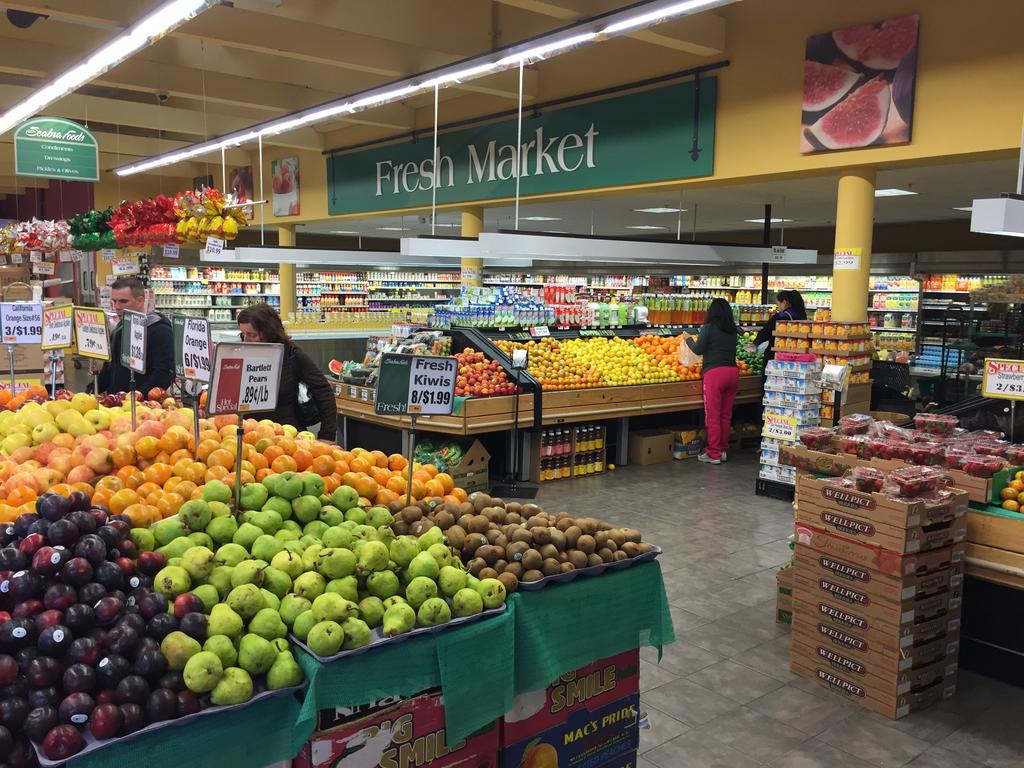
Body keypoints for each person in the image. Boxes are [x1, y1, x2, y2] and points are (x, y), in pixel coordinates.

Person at [236, 303, 338, 441]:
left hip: (288, 437)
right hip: (249, 435)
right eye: (243, 334)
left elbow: (324, 392)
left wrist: (327, 436)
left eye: (252, 335)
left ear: (269, 332)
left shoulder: (291, 354)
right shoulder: (242, 354)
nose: (246, 341)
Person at [97, 276, 174, 395]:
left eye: (123, 301)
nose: (117, 307)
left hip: (145, 407)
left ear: (140, 300)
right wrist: (92, 390)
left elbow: (163, 375)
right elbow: (110, 368)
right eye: (114, 301)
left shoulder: (160, 330)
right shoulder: (120, 328)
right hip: (116, 406)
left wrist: (136, 397)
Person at [685, 297, 738, 465]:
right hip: (733, 373)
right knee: (725, 415)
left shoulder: (708, 328)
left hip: (715, 374)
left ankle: (713, 454)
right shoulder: (733, 330)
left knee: (713, 416)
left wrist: (688, 339)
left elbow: (698, 350)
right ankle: (722, 450)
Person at [753, 289, 807, 358]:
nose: (778, 307)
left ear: (784, 302)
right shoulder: (802, 315)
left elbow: (766, 331)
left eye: (778, 304)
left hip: (779, 353)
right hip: (798, 353)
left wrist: (756, 342)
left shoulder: (781, 316)